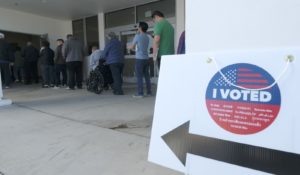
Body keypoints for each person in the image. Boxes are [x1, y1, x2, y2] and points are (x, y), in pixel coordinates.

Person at [129, 22, 152, 98]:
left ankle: (140, 93)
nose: (137, 28)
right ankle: (149, 92)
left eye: (138, 27)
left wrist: (134, 49)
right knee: (147, 76)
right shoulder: (147, 37)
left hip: (139, 59)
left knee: (139, 77)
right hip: (146, 58)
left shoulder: (137, 36)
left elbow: (132, 47)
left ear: (141, 28)